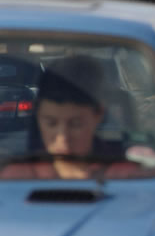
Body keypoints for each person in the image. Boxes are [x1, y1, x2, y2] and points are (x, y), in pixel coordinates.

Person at [1, 56, 133, 180]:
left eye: (75, 124)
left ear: (98, 115)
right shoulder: (16, 177)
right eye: (51, 123)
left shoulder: (129, 177)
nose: (62, 138)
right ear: (38, 117)